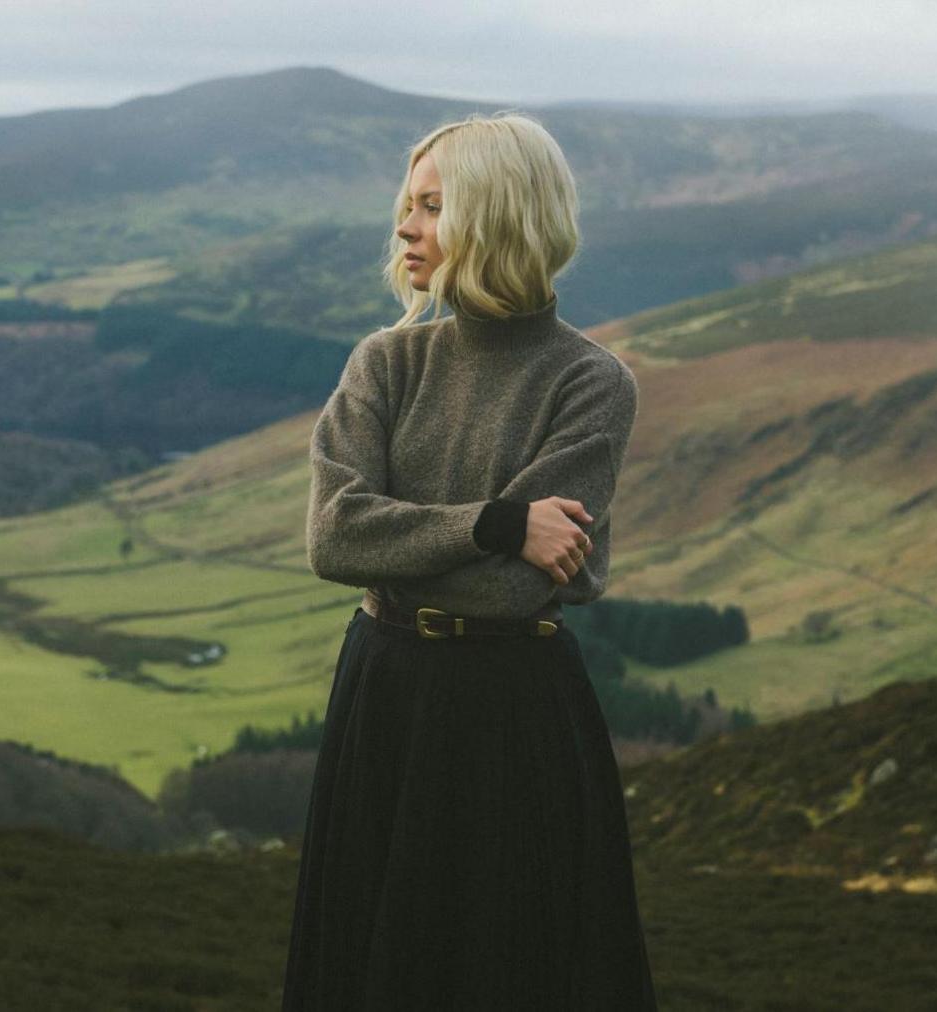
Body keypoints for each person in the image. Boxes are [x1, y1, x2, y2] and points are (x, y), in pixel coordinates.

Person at [282, 110, 658, 1011]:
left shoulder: (588, 382)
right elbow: (334, 537)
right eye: (407, 207)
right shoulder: (385, 363)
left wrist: (419, 541)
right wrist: (496, 523)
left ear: (500, 217)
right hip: (388, 687)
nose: (406, 229)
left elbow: (519, 585)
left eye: (432, 207)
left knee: (510, 959)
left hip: (511, 706)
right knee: (371, 959)